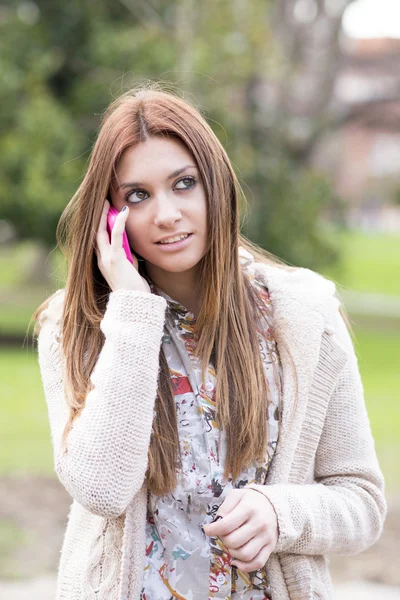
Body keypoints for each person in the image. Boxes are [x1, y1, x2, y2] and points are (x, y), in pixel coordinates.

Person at [34, 84, 386, 600]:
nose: (167, 214)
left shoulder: (306, 318)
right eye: (137, 195)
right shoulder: (76, 326)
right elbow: (101, 489)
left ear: (214, 186)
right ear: (110, 215)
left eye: (183, 184)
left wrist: (280, 512)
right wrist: (131, 314)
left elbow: (361, 500)